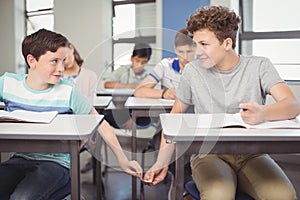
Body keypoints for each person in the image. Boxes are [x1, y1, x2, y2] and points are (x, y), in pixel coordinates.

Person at [143, 6, 299, 200]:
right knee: (219, 195)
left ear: (227, 43)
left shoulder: (259, 65)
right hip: (208, 155)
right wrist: (161, 163)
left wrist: (263, 113)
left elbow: (292, 105)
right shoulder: (192, 71)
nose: (196, 51)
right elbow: (174, 119)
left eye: (203, 44)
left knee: (284, 196)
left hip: (253, 154)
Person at [0, 29, 142, 200]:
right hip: (19, 159)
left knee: (21, 198)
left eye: (62, 61)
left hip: (55, 164)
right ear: (32, 60)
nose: (61, 68)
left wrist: (123, 159)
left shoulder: (68, 90)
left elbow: (100, 122)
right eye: (54, 61)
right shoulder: (7, 83)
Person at [134, 28, 195, 100]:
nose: (185, 57)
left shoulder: (204, 67)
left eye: (189, 52)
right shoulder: (165, 65)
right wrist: (164, 93)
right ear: (175, 49)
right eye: (181, 52)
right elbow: (139, 91)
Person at [103, 43, 152, 129]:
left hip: (141, 114)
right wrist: (129, 86)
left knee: (153, 118)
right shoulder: (123, 71)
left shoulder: (149, 77)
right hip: (122, 111)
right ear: (131, 58)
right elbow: (107, 84)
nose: (139, 65)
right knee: (104, 114)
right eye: (137, 60)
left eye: (143, 62)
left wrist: (133, 118)